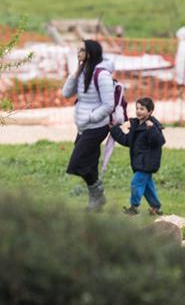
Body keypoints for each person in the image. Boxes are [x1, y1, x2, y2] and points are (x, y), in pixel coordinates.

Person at [61, 39, 115, 211]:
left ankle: (97, 193)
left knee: (77, 163)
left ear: (90, 53)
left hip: (97, 127)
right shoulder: (83, 72)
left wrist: (90, 117)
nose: (78, 53)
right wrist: (76, 71)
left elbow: (108, 105)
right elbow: (66, 93)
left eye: (82, 50)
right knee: (89, 163)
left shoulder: (102, 75)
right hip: (84, 127)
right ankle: (97, 201)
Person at [110, 97, 166, 215]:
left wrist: (151, 129)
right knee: (147, 187)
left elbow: (159, 141)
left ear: (150, 112)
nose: (139, 111)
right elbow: (127, 141)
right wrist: (115, 130)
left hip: (147, 163)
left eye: (142, 109)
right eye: (137, 108)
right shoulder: (135, 124)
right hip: (139, 162)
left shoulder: (153, 125)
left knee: (136, 183)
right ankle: (156, 208)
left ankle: (134, 207)